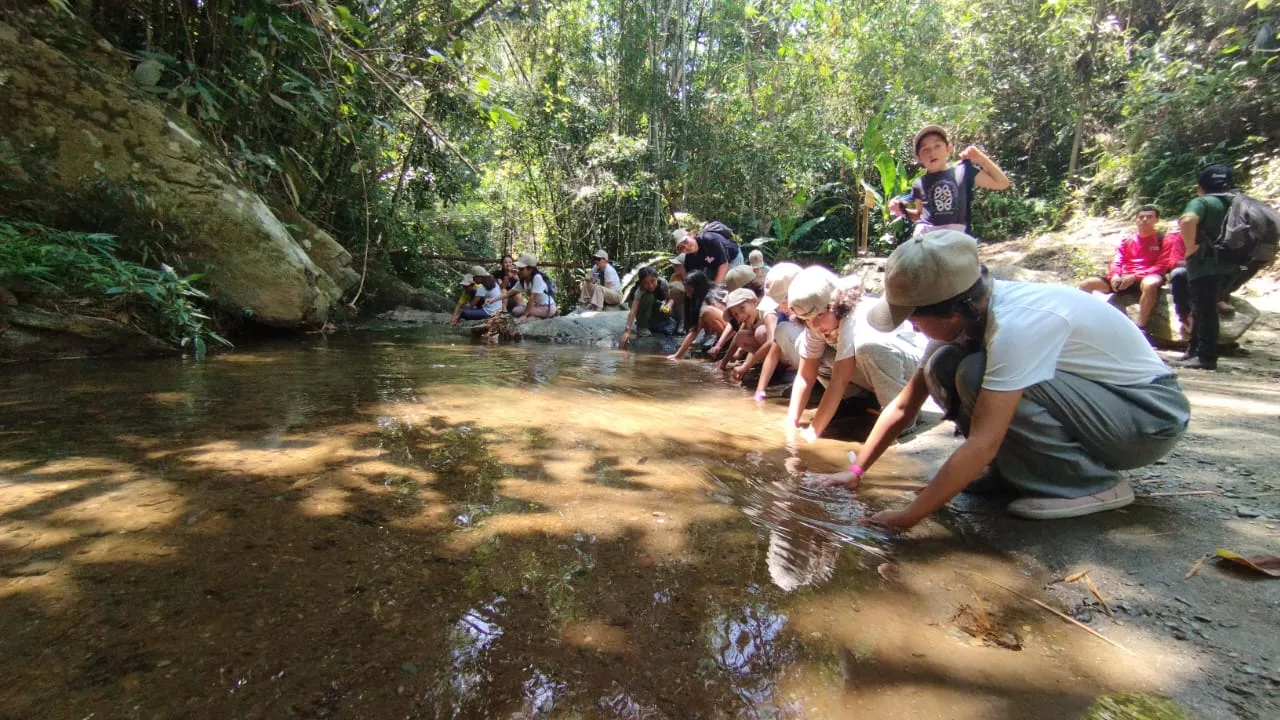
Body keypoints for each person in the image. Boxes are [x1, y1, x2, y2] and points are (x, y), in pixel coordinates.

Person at [817, 230, 1189, 528]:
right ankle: (1017, 474)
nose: (911, 326)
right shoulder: (971, 315)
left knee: (975, 373)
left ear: (951, 313)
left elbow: (983, 441)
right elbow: (904, 404)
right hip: (1104, 408)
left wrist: (911, 514)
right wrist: (855, 469)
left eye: (913, 317)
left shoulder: (1015, 327)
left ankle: (1091, 485)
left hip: (1147, 419)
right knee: (944, 364)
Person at [784, 266, 926, 442]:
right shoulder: (816, 323)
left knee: (868, 346)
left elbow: (839, 379)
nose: (814, 325)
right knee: (806, 347)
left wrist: (814, 430)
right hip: (877, 370)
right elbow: (805, 376)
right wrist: (792, 422)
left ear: (836, 303)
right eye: (807, 320)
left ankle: (903, 415)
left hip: (914, 368)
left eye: (819, 315)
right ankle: (857, 401)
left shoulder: (855, 316)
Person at [1078, 205, 1187, 335]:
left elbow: (1162, 265)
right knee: (1086, 284)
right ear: (1136, 220)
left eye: (1149, 217)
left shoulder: (1164, 239)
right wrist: (1115, 276)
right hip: (1124, 277)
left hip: (1148, 276)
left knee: (1150, 284)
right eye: (1141, 217)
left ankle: (1140, 327)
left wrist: (1135, 277)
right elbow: (1117, 259)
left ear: (1157, 219)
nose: (1145, 219)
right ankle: (1086, 321)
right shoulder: (1127, 239)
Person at [891, 124, 1011, 237]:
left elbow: (1002, 183)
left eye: (937, 146)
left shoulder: (963, 171)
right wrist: (901, 209)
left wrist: (981, 159)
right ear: (918, 158)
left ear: (948, 148)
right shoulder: (919, 183)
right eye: (925, 149)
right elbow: (919, 215)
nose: (932, 152)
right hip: (929, 240)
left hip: (957, 239)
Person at [1175, 164, 1239, 370]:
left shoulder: (1202, 202)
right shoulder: (1236, 203)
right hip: (1231, 265)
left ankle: (1206, 357)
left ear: (1200, 186)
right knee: (1202, 306)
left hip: (1205, 264)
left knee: (1204, 309)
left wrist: (1190, 246)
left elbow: (1188, 220)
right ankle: (1193, 350)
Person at [748, 263, 806, 401]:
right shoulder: (785, 315)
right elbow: (773, 354)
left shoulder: (820, 310)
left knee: (783, 330)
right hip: (814, 365)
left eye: (781, 302)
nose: (779, 308)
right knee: (781, 331)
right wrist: (760, 390)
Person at [667, 271, 727, 361]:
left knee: (706, 312)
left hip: (731, 331)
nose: (687, 294)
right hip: (727, 330)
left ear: (698, 288)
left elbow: (694, 332)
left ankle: (725, 345)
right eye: (686, 291)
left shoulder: (711, 298)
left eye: (689, 291)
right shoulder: (703, 297)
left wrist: (677, 355)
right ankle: (717, 341)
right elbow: (693, 329)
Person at [672, 221, 743, 285]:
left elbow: (724, 264)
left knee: (727, 284)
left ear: (691, 235)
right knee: (708, 284)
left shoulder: (710, 240)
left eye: (685, 241)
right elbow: (693, 277)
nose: (686, 247)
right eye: (681, 248)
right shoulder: (689, 258)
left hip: (732, 259)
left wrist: (716, 286)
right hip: (713, 265)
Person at [619, 267, 672, 347]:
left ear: (657, 278)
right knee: (649, 296)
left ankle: (652, 323)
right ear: (641, 283)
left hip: (654, 304)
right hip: (639, 304)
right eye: (645, 283)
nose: (650, 285)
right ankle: (642, 326)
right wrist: (627, 331)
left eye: (652, 281)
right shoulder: (639, 290)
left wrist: (668, 305)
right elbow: (633, 311)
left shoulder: (664, 283)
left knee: (664, 311)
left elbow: (670, 299)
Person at [506, 253, 558, 320]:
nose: (519, 271)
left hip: (547, 308)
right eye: (519, 269)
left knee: (517, 311)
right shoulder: (525, 280)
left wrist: (524, 315)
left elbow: (532, 298)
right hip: (538, 306)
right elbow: (507, 293)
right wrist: (492, 300)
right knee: (516, 310)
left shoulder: (537, 278)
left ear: (530, 269)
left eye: (521, 269)